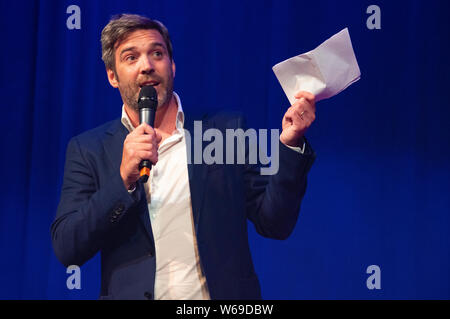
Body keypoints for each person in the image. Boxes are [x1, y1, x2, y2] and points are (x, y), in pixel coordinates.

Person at [51, 13, 316, 300]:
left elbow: (274, 222)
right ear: (112, 76)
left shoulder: (224, 131)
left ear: (172, 65)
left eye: (157, 53)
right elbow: (68, 247)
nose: (147, 66)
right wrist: (123, 180)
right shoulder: (89, 149)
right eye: (131, 57)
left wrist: (290, 145)